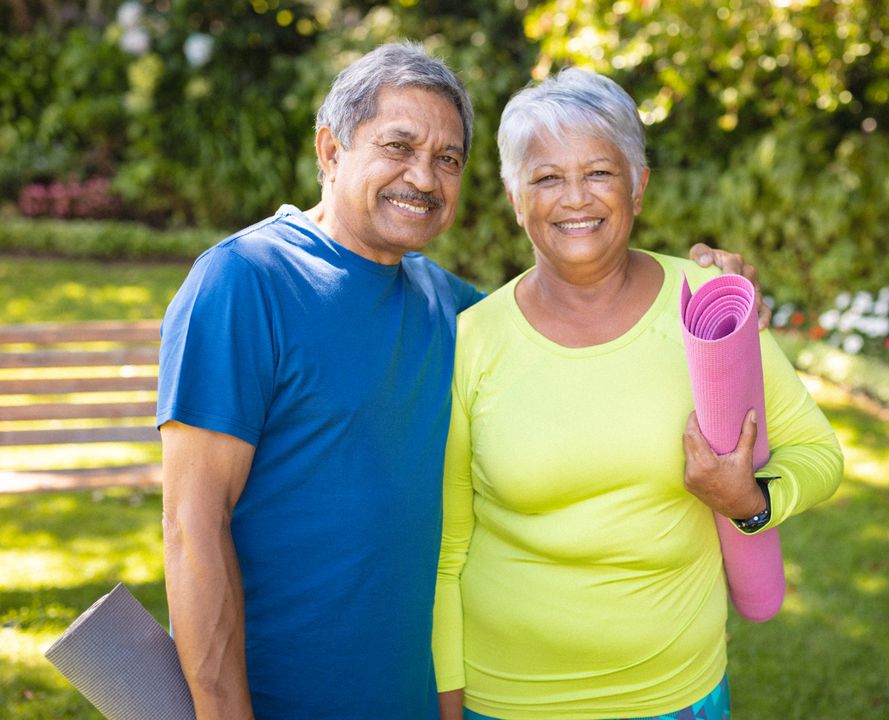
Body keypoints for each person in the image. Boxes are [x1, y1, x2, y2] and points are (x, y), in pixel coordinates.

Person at [157, 43, 760, 719]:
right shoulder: (247, 281)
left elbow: (586, 333)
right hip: (282, 699)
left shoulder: (460, 312)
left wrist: (711, 294)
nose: (423, 176)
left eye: (447, 159)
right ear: (330, 151)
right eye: (399, 145)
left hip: (424, 698)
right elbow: (191, 527)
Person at [432, 69, 843, 720]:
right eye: (545, 177)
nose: (574, 199)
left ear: (638, 185)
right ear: (515, 197)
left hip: (675, 693)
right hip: (505, 696)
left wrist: (753, 501)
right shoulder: (473, 341)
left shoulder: (707, 308)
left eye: (598, 172)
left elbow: (819, 453)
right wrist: (449, 706)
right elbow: (448, 551)